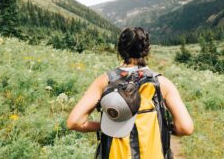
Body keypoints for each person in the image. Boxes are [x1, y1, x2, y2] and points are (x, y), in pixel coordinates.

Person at [67, 27, 193, 159]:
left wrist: (103, 126)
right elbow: (186, 127)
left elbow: (74, 122)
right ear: (147, 50)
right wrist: (165, 128)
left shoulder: (104, 81)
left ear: (120, 50)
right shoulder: (162, 83)